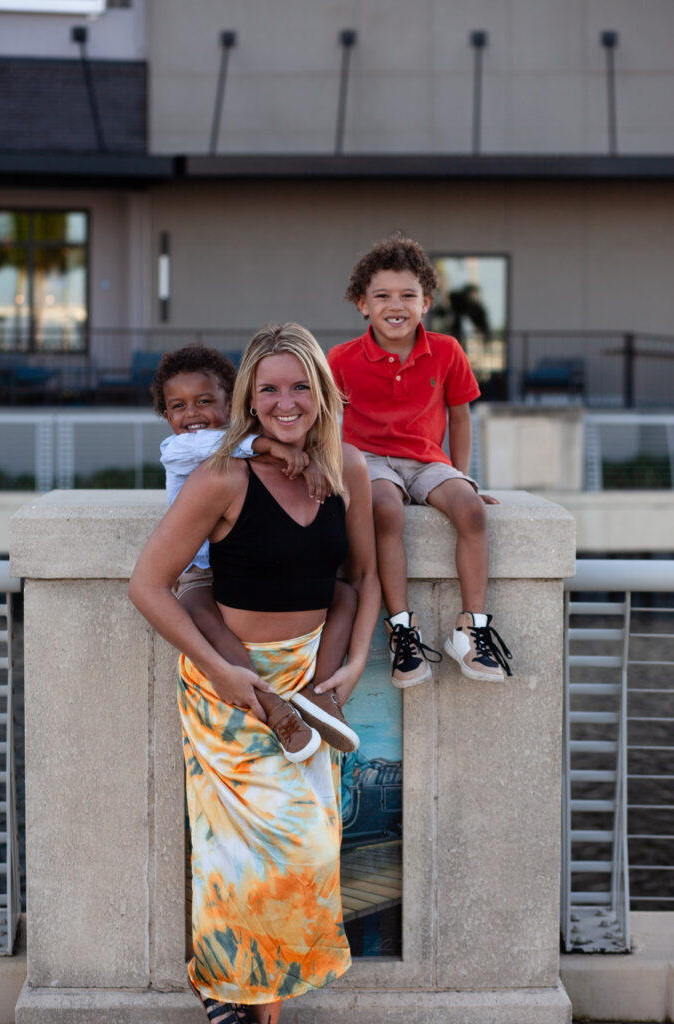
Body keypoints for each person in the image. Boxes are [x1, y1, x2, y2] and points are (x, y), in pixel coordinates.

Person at [129, 323, 380, 1024]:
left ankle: (241, 997)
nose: (285, 401)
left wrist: (354, 661)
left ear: (322, 392)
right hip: (226, 697)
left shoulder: (346, 470)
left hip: (310, 684)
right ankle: (242, 1004)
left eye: (300, 385)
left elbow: (356, 577)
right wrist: (222, 671)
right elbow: (150, 585)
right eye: (268, 388)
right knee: (235, 861)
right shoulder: (222, 477)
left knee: (305, 853)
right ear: (249, 398)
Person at [150, 344, 360, 761]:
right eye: (178, 406)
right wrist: (278, 448)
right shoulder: (186, 447)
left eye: (205, 401)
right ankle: (274, 709)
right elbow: (230, 444)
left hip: (243, 584)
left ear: (231, 404)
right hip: (198, 566)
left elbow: (362, 572)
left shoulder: (341, 465)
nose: (191, 414)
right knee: (199, 606)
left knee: (345, 596)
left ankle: (319, 695)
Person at [328, 234, 512, 687]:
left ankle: (472, 630)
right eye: (382, 295)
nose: (397, 305)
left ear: (426, 302)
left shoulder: (447, 351)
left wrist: (463, 475)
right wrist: (334, 474)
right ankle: (403, 632)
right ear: (362, 304)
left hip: (426, 459)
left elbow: (460, 415)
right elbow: (326, 422)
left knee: (469, 509)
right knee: (385, 511)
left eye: (408, 295)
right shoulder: (341, 359)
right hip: (369, 459)